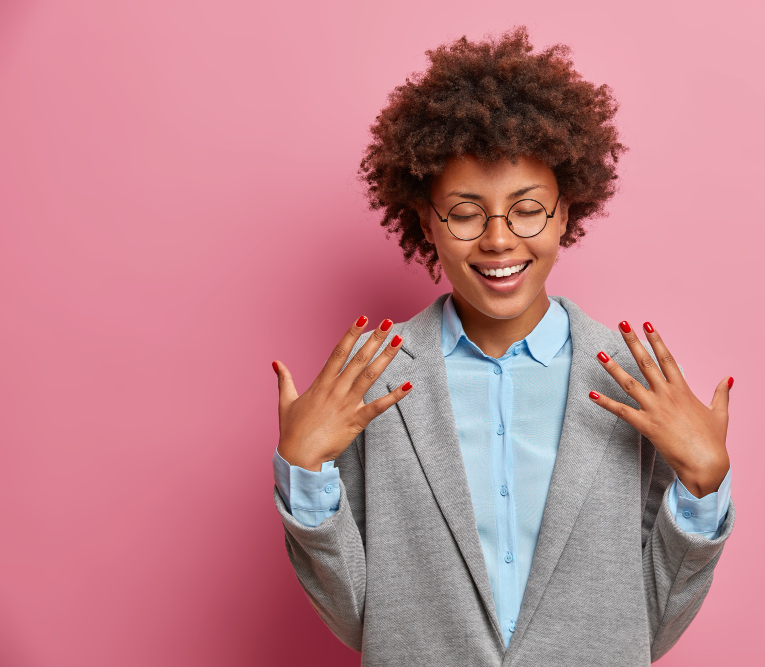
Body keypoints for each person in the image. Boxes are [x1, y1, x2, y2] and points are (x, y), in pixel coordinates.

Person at [270, 27, 735, 665]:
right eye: (464, 212)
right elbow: (362, 619)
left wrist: (704, 488)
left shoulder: (633, 379)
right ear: (426, 219)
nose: (497, 240)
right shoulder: (372, 378)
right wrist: (304, 472)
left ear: (566, 212)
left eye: (527, 209)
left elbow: (644, 623)